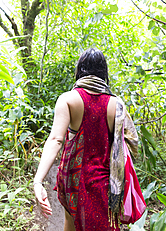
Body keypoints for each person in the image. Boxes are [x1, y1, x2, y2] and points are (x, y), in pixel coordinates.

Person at [33, 48, 138, 231]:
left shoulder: (68, 99)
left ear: (79, 70)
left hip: (72, 177)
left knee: (70, 221)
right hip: (105, 180)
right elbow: (131, 143)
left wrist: (38, 180)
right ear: (104, 73)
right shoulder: (117, 104)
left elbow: (56, 140)